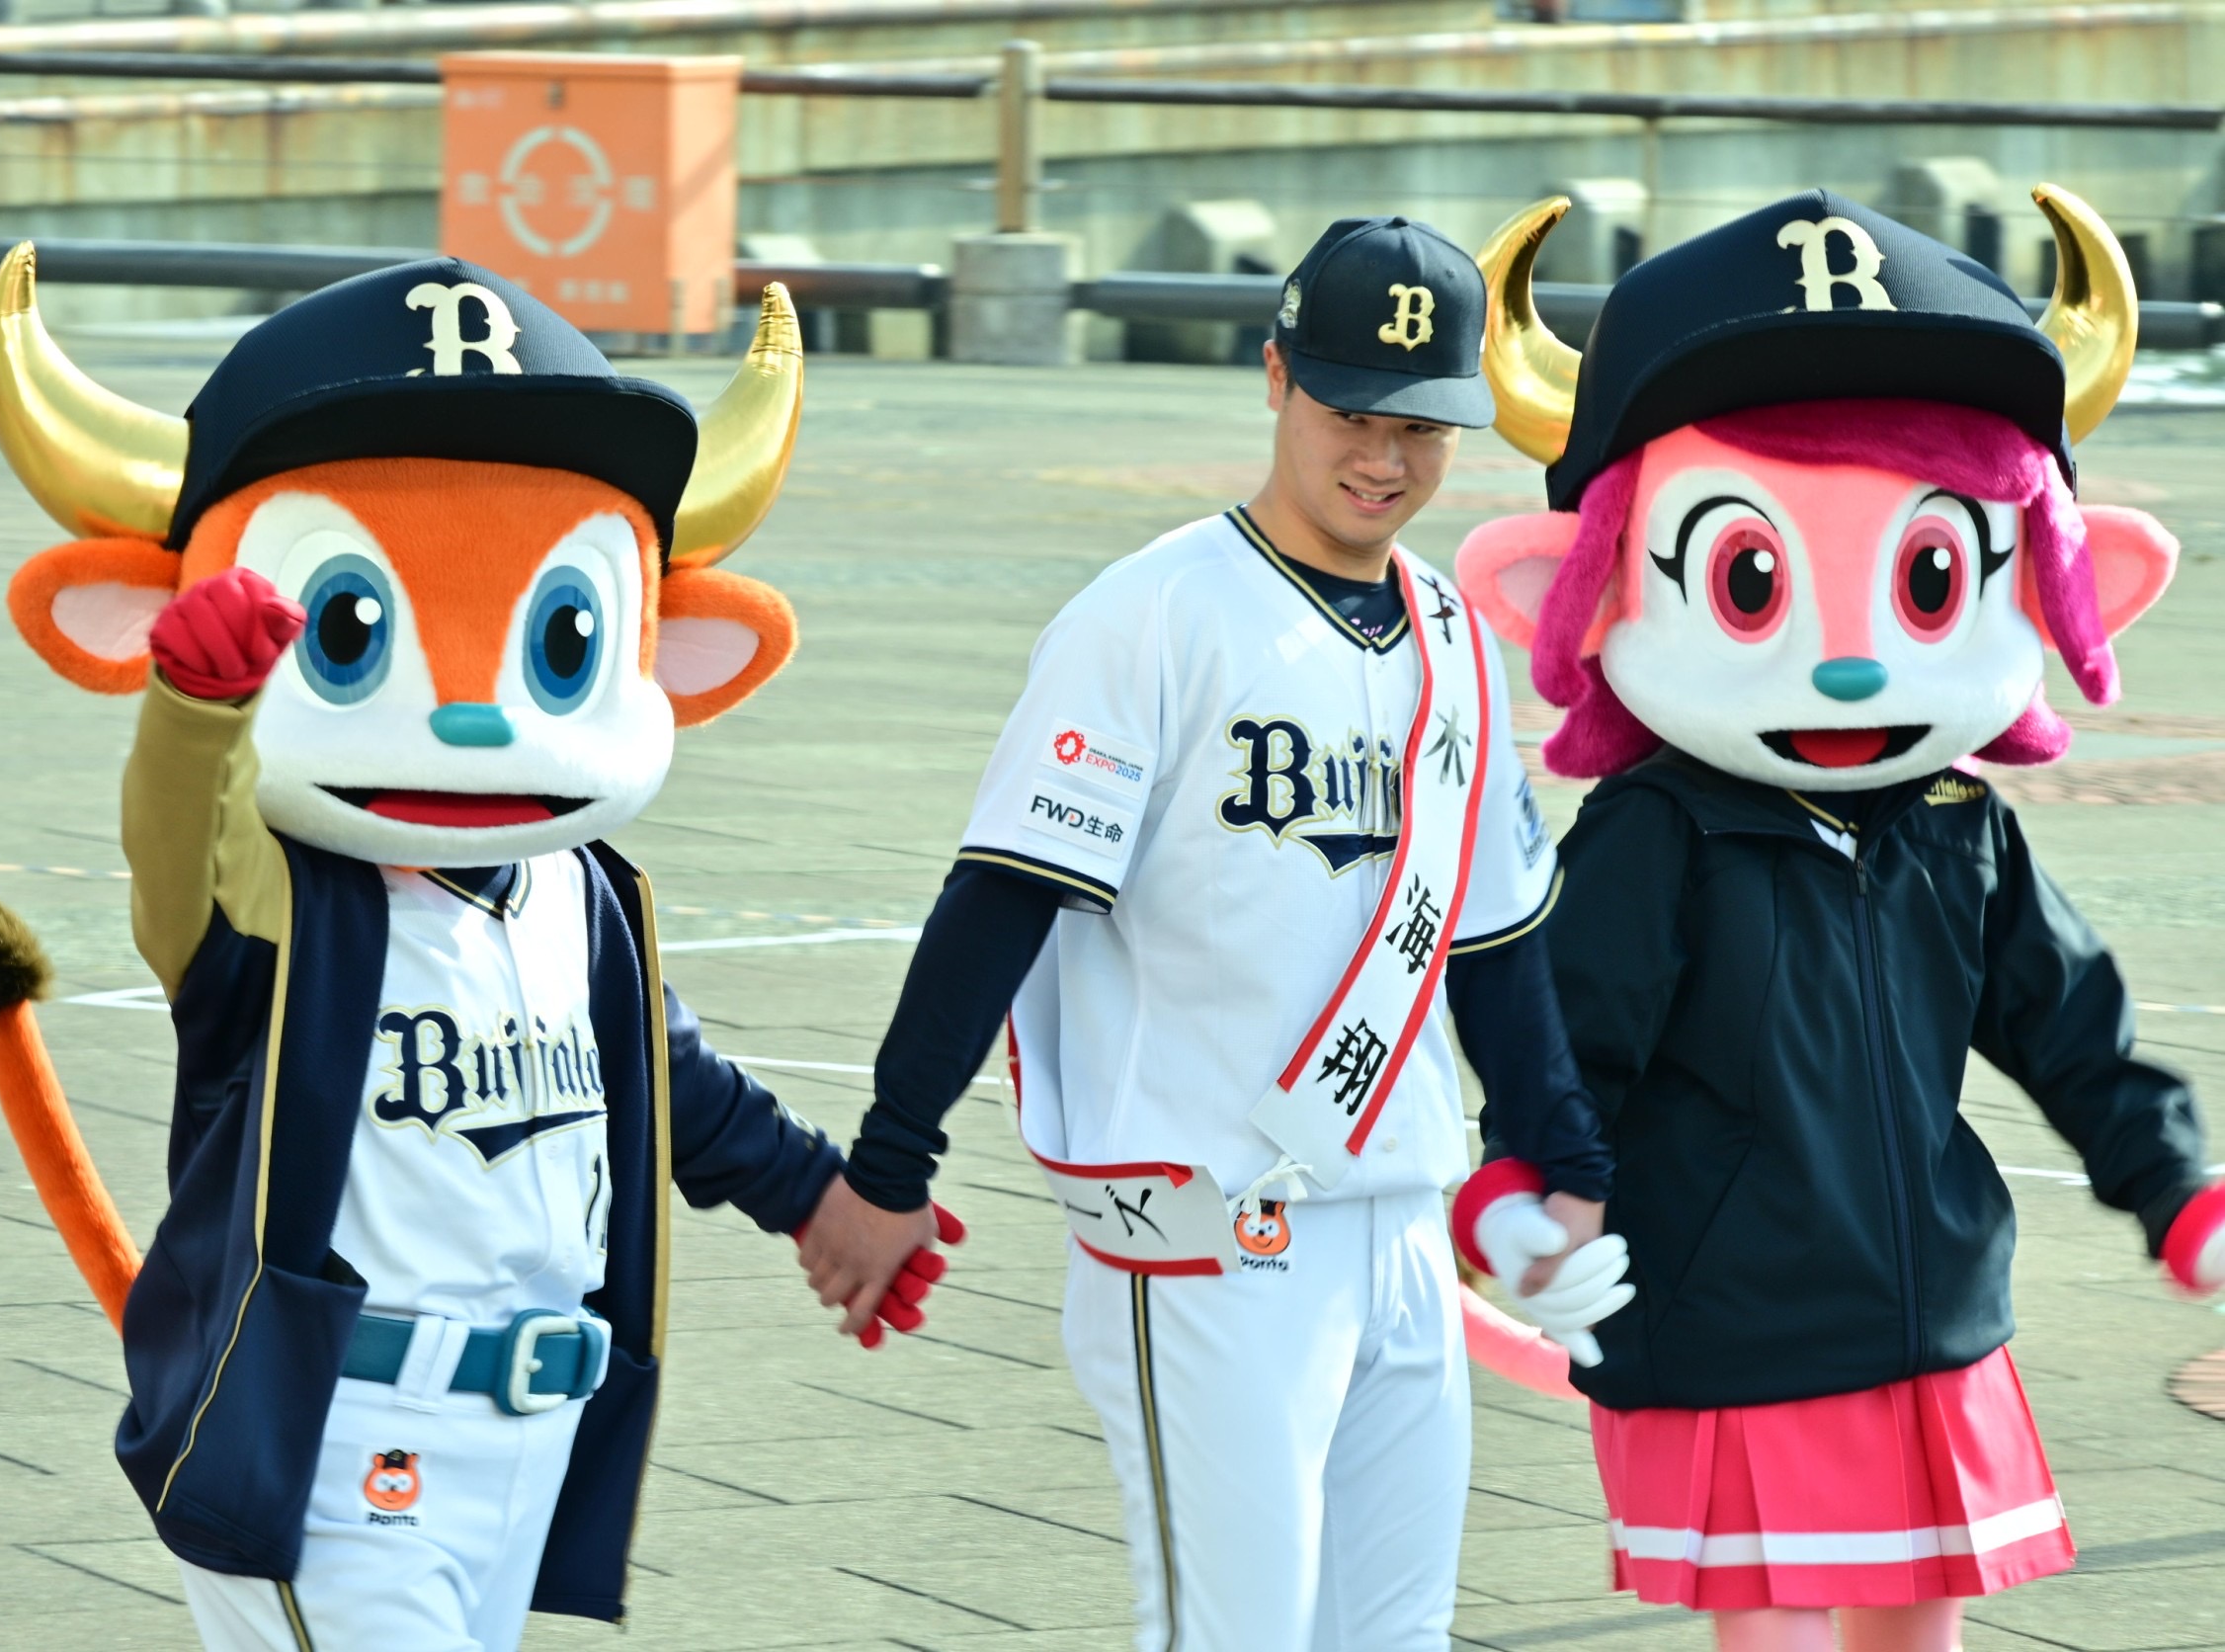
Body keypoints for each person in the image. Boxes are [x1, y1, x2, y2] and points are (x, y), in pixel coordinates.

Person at [0, 251, 950, 1650]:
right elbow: (179, 843)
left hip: (527, 1442)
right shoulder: (283, 903)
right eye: (354, 627)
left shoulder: (577, 888)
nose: (472, 715)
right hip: (331, 1438)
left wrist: (819, 1200)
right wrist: (195, 706)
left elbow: (669, 1081)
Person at [796, 216, 1632, 1651]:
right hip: (1205, 1237)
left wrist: (1570, 1166)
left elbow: (1491, 943)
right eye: (1351, 411)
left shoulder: (1452, 636)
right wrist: (889, 1165)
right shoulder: (1154, 613)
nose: (1384, 457)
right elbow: (1003, 897)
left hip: (1399, 1227)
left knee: (1396, 1639)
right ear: (1276, 378)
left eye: (1421, 426)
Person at [1453, 188, 2225, 1652]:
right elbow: (1569, 1043)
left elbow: (2070, 1027)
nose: (1856, 667)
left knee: (1919, 1632)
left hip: (1929, 1314)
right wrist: (1525, 1193)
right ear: (1581, 587)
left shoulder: (1957, 825)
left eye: (1929, 579)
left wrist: (2174, 1184)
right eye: (1751, 580)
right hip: (1731, 1324)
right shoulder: (1658, 832)